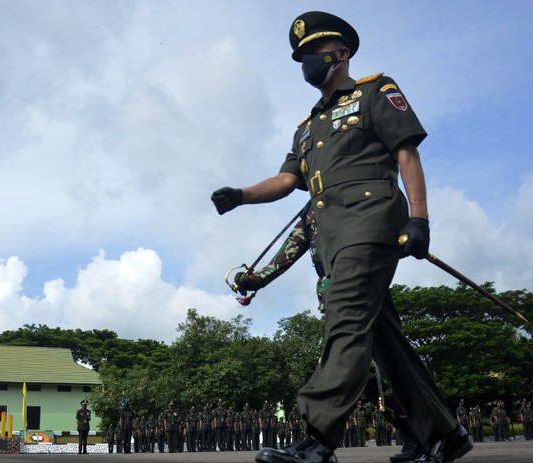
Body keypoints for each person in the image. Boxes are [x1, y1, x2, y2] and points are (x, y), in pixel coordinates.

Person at [212, 10, 470, 463]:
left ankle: (319, 437)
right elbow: (287, 181)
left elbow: (406, 151)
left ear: (341, 52)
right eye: (302, 56)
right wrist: (241, 194)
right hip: (331, 240)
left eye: (314, 51)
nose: (308, 61)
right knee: (384, 339)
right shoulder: (306, 127)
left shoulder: (375, 91)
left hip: (371, 222)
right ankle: (445, 433)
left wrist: (420, 219)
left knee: (345, 320)